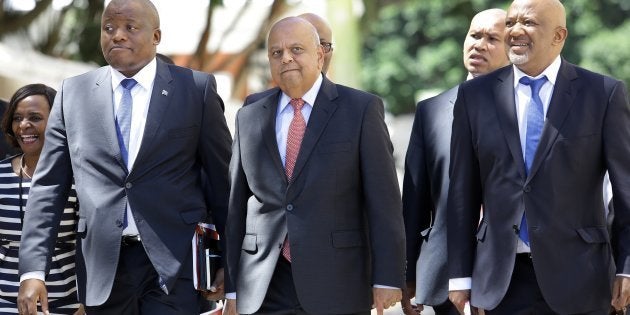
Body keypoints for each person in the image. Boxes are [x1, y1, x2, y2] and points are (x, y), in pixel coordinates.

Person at [16, 0, 232, 314]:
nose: (117, 35)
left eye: (130, 28)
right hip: (104, 269)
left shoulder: (195, 90)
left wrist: (227, 263)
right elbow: (49, 188)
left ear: (156, 36)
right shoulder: (73, 94)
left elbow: (221, 184)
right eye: (109, 28)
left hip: (176, 266)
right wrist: (33, 271)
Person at [447, 0, 630, 314]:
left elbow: (626, 190)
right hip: (501, 282)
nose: (515, 30)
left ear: (559, 36)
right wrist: (460, 276)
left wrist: (627, 266)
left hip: (582, 277)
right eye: (511, 22)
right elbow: (463, 192)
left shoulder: (602, 93)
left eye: (528, 22)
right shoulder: (475, 96)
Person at [224, 16, 405, 315]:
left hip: (337, 280)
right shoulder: (250, 113)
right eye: (276, 53)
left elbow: (384, 202)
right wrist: (231, 286)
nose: (287, 58)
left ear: (320, 55)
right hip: (263, 284)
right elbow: (235, 206)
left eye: (297, 49)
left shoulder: (360, 109)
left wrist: (387, 277)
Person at [401, 8, 509, 315]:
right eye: (474, 35)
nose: (479, 44)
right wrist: (408, 276)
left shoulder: (526, 107)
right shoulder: (430, 111)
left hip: (514, 273)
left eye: (492, 38)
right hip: (445, 276)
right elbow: (415, 200)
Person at [0, 84, 84, 315]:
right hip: (5, 302)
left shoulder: (79, 178)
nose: (24, 125)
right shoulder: (1, 176)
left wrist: (86, 306)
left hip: (65, 305)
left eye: (35, 117)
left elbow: (92, 245)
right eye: (17, 118)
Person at [243, 13, 334, 106]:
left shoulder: (348, 103)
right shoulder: (253, 106)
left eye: (323, 44)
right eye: (297, 47)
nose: (287, 58)